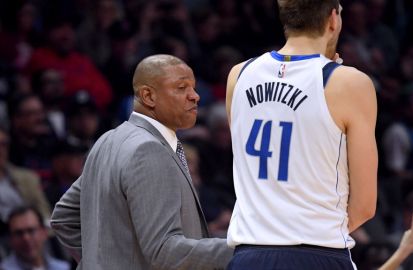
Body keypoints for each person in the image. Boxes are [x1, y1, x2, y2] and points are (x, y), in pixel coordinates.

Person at [225, 0, 378, 269]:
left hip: (248, 255)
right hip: (316, 253)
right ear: (333, 19)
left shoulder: (239, 74)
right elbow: (365, 206)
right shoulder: (350, 83)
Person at [50, 54, 232, 269]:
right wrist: (240, 252)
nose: (195, 96)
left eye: (193, 87)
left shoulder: (107, 140)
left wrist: (104, 261)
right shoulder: (149, 149)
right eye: (182, 88)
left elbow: (63, 218)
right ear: (148, 96)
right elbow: (163, 250)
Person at [1, 206, 69, 270]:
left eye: (31, 231)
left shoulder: (64, 267)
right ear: (10, 238)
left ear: (44, 232)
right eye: (19, 233)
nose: (26, 238)